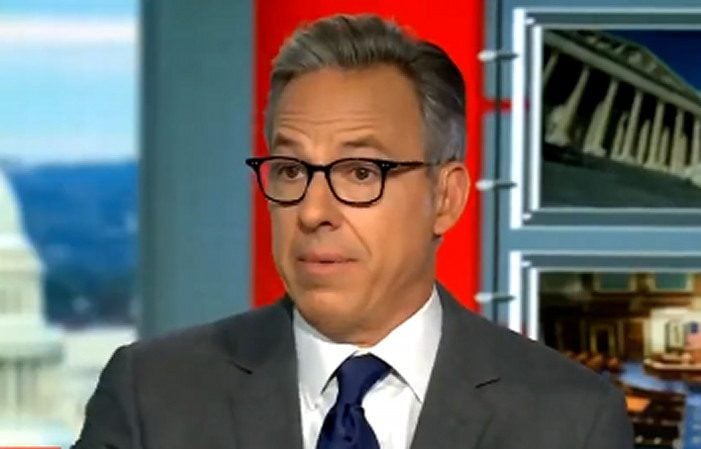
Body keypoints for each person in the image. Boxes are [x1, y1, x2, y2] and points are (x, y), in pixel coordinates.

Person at [74, 14, 633, 449]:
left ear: (446, 197)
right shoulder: (152, 395)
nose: (312, 210)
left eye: (361, 173)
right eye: (290, 170)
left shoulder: (570, 419)